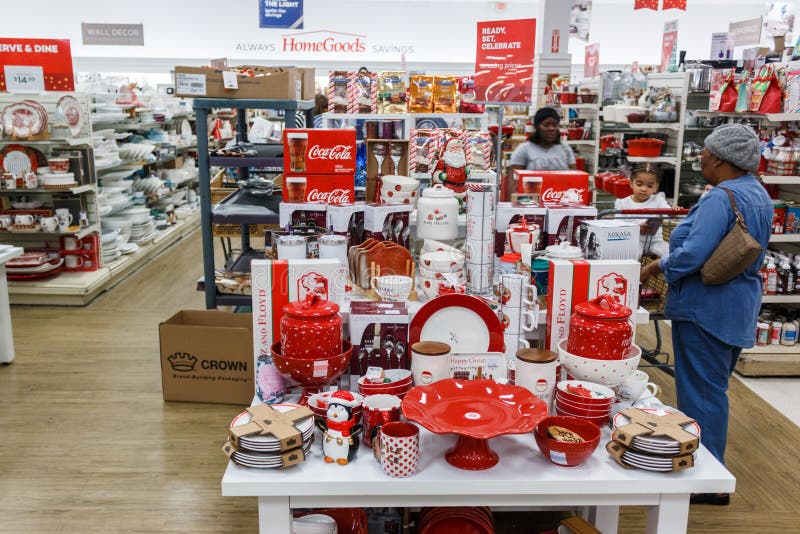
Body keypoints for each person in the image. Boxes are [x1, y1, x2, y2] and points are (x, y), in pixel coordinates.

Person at [640, 123, 772, 506]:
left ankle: (707, 478)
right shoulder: (758, 193)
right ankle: (705, 467)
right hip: (738, 304)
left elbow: (694, 254)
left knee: (700, 393)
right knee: (713, 388)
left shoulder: (721, 198)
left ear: (718, 158)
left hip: (707, 307)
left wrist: (657, 268)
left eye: (705, 153)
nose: (701, 158)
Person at [504, 107, 576, 200]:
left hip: (561, 203)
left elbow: (574, 180)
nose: (551, 129)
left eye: (555, 125)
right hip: (531, 204)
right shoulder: (524, 150)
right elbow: (513, 183)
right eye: (546, 125)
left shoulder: (565, 150)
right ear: (537, 127)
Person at [614, 162, 672, 258]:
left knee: (671, 254)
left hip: (655, 241)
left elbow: (669, 214)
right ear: (631, 183)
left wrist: (674, 210)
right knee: (633, 256)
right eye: (639, 184)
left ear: (656, 187)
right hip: (632, 241)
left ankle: (662, 271)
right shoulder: (623, 203)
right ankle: (635, 272)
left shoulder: (658, 200)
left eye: (650, 186)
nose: (644, 189)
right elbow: (617, 226)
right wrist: (636, 228)